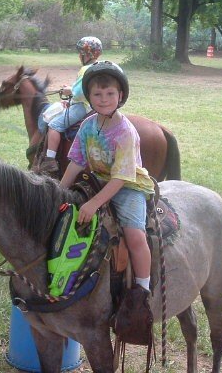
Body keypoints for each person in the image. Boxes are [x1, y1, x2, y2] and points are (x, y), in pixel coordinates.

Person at [60, 61, 155, 297]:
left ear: (120, 95)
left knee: (134, 234)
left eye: (110, 93)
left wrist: (94, 203)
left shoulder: (125, 132)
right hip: (98, 180)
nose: (103, 99)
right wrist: (59, 190)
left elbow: (121, 178)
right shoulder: (87, 125)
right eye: (97, 94)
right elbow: (77, 162)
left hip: (127, 185)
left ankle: (143, 289)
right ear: (89, 97)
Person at [39, 36, 103, 175]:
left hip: (82, 106)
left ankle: (49, 160)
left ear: (87, 54)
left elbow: (80, 93)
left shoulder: (85, 69)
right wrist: (70, 96)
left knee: (54, 125)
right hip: (89, 105)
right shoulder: (97, 67)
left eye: (81, 53)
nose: (79, 56)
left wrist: (69, 91)